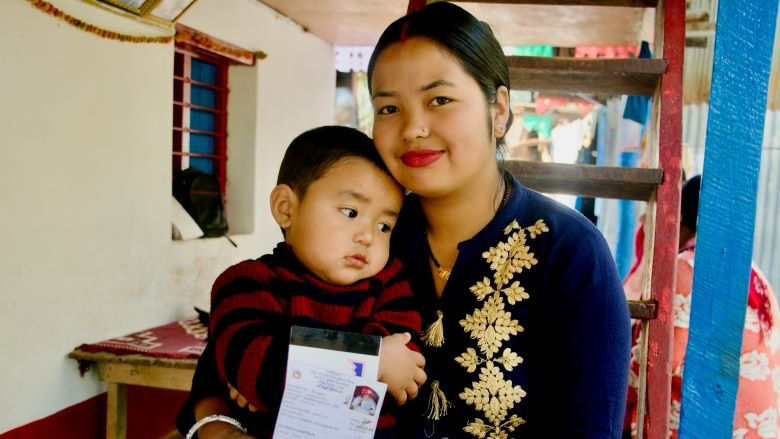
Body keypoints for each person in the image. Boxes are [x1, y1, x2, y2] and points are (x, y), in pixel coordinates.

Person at [186, 3, 631, 438]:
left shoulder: (569, 252)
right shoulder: (368, 235)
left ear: (497, 111)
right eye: (388, 108)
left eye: (439, 99)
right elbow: (221, 375)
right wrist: (217, 425)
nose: (413, 128)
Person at [176, 126, 426, 439]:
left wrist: (294, 370)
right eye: (350, 212)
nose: (368, 236)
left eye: (384, 225)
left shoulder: (390, 287)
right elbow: (255, 368)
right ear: (286, 208)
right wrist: (369, 361)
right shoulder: (248, 283)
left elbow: (401, 379)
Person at [623, 175, 780, 438]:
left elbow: (658, 362)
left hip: (717, 426)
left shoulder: (689, 268)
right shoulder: (752, 274)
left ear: (681, 220)